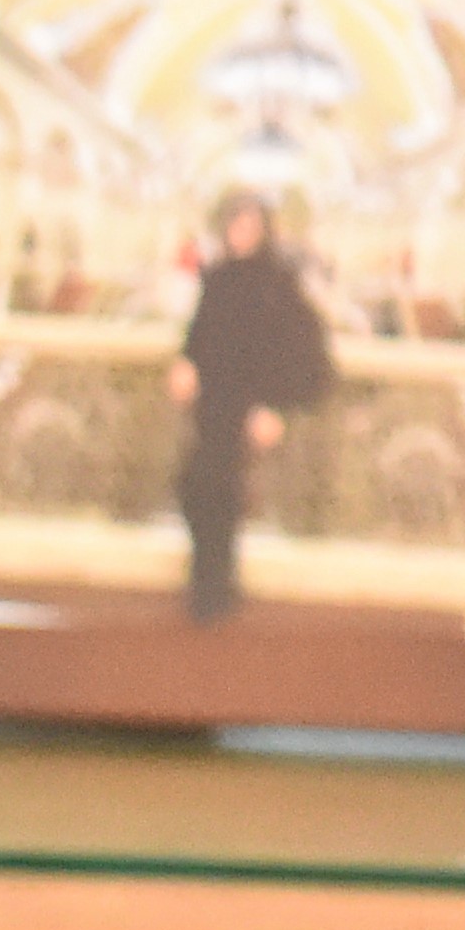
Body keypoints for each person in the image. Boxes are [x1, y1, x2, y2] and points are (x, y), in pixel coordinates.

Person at [170, 189, 332, 627]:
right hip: (213, 401)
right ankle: (210, 584)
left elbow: (300, 350)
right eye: (235, 226)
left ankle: (213, 590)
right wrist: (186, 362)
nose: (241, 234)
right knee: (197, 488)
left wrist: (274, 406)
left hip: (248, 405)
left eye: (249, 227)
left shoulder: (277, 283)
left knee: (219, 491)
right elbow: (200, 333)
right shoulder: (218, 276)